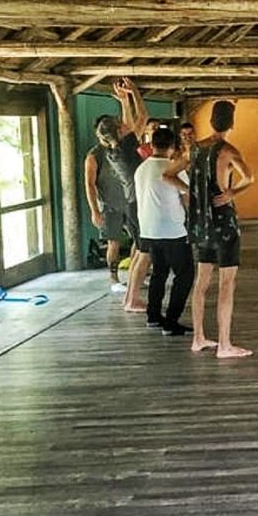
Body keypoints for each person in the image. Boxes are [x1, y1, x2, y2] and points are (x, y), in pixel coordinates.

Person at [166, 100, 255, 358]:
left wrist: (192, 191)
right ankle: (224, 344)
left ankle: (198, 338)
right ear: (231, 123)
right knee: (227, 283)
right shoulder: (228, 150)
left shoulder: (194, 149)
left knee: (202, 281)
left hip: (200, 221)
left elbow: (167, 175)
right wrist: (231, 193)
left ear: (211, 122)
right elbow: (250, 177)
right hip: (223, 221)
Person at [95, 78, 151, 312]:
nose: (126, 125)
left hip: (132, 203)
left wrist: (125, 100)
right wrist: (134, 92)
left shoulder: (113, 150)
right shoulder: (126, 147)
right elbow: (143, 116)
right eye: (121, 124)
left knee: (140, 250)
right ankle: (132, 299)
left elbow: (130, 122)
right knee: (144, 251)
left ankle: (130, 297)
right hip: (138, 204)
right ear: (119, 130)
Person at [134, 126, 195, 335]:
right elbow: (187, 199)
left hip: (148, 229)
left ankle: (153, 316)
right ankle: (171, 321)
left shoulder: (141, 169)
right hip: (172, 230)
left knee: (159, 273)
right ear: (173, 146)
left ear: (152, 145)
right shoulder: (173, 168)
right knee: (185, 274)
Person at [84, 115, 128, 292]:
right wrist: (94, 210)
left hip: (129, 202)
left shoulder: (121, 147)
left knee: (140, 240)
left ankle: (136, 275)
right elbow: (89, 184)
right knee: (113, 242)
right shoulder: (94, 155)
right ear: (98, 133)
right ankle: (114, 279)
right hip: (109, 205)